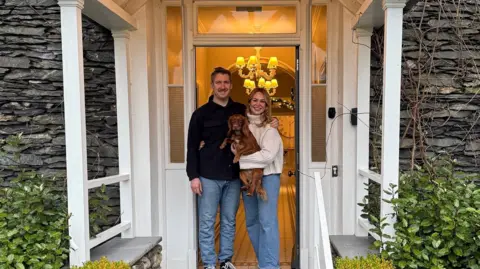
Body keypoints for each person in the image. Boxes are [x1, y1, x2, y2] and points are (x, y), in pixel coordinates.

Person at [186, 67, 245, 269]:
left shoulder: (240, 109)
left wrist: (272, 122)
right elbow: (192, 146)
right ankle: (210, 263)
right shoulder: (200, 114)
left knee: (229, 221)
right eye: (218, 82)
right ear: (212, 86)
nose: (222, 86)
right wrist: (193, 176)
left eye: (226, 82)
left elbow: (256, 127)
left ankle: (226, 260)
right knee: (207, 222)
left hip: (234, 176)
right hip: (208, 176)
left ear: (231, 85)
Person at [232, 88, 284, 269]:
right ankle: (265, 263)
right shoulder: (242, 125)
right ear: (249, 102)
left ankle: (270, 266)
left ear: (267, 105)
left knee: (267, 222)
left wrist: (241, 160)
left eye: (262, 101)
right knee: (252, 222)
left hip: (268, 178)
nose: (258, 104)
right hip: (248, 179)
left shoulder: (271, 127)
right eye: (255, 100)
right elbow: (233, 147)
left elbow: (267, 156)